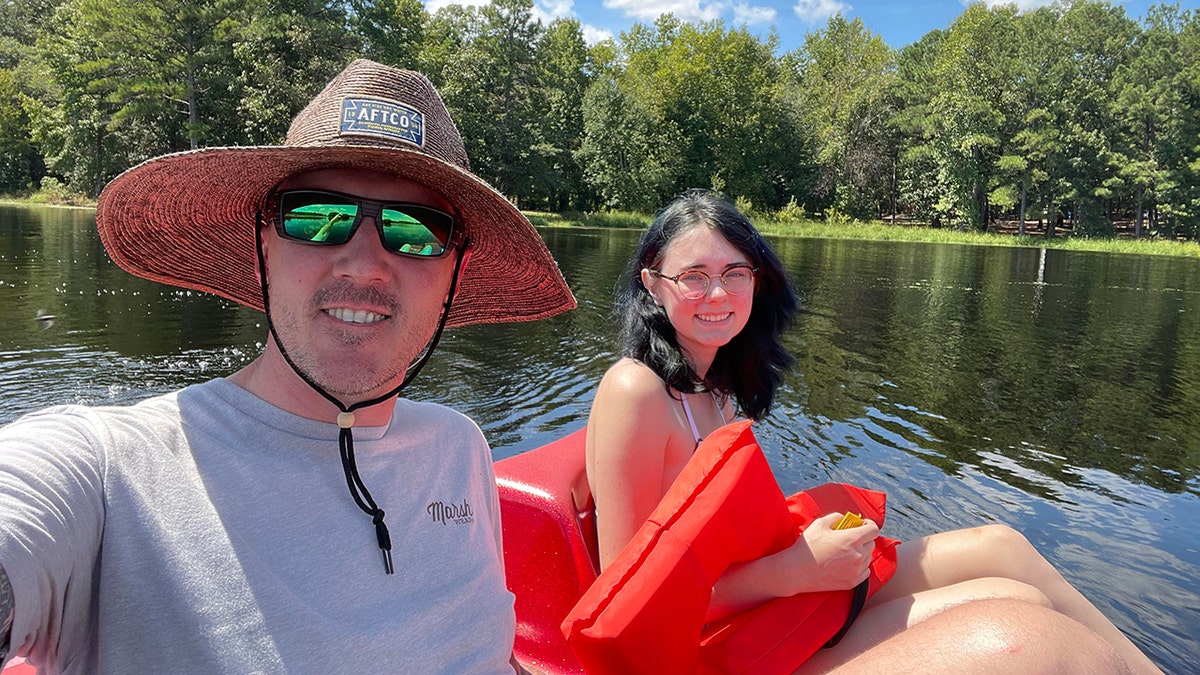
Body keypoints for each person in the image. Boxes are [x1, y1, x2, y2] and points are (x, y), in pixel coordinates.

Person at [0, 59, 574, 673]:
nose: (363, 264)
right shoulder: (108, 472)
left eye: (415, 230)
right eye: (316, 216)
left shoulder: (460, 448)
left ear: (453, 276)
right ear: (263, 249)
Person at [585, 189, 1161, 673]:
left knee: (1005, 553)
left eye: (735, 272)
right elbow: (632, 598)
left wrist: (803, 556)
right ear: (653, 284)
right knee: (1026, 624)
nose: (718, 294)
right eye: (693, 276)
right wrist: (791, 571)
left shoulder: (716, 385)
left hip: (765, 599)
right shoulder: (636, 392)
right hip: (710, 646)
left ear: (757, 282)